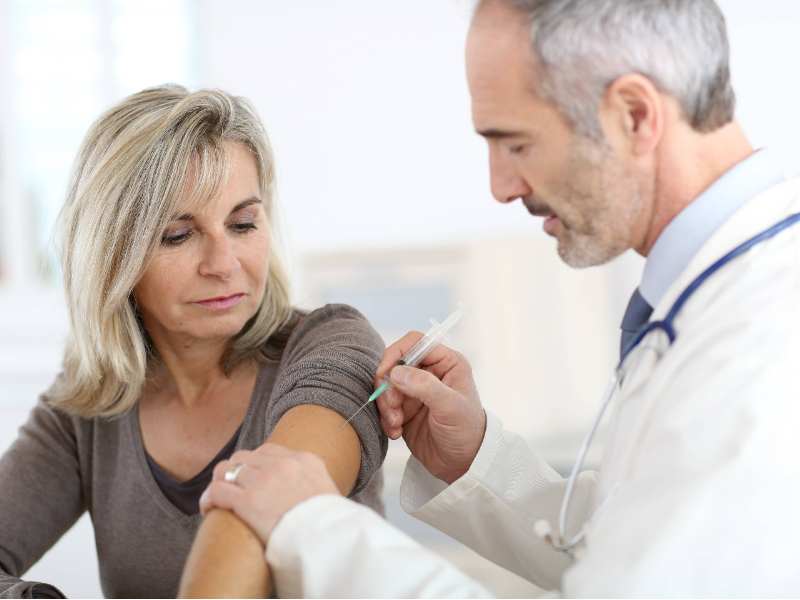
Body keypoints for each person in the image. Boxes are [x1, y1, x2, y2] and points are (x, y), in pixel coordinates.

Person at [198, 0, 800, 597]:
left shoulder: (763, 350)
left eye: (516, 144)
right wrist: (475, 459)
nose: (501, 187)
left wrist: (316, 531)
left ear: (635, 115)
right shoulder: (711, 303)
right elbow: (628, 544)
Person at [0, 84, 387, 599]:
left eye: (243, 224)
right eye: (178, 235)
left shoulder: (332, 347)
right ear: (113, 257)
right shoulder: (89, 406)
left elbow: (262, 509)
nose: (224, 264)